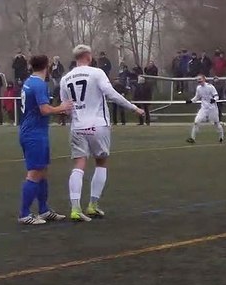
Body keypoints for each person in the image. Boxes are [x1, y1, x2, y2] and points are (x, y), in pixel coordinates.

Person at [60, 45, 145, 221]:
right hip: (97, 124)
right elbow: (111, 94)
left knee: (79, 164)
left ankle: (75, 208)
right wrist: (133, 107)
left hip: (78, 126)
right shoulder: (97, 73)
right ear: (88, 56)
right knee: (101, 162)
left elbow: (66, 108)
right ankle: (93, 205)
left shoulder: (65, 78)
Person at [16, 55, 73, 224]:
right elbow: (44, 109)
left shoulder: (29, 81)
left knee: (42, 171)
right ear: (47, 66)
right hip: (34, 134)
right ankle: (24, 214)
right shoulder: (39, 84)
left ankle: (43, 210)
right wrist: (61, 107)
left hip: (32, 131)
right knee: (35, 173)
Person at [187, 74, 224, 144]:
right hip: (203, 108)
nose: (199, 81)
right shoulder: (198, 88)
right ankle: (192, 138)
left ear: (204, 79)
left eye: (200, 79)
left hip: (212, 108)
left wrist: (214, 100)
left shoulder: (210, 86)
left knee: (216, 123)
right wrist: (191, 101)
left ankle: (221, 137)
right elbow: (197, 97)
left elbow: (216, 96)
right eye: (198, 79)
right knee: (196, 122)